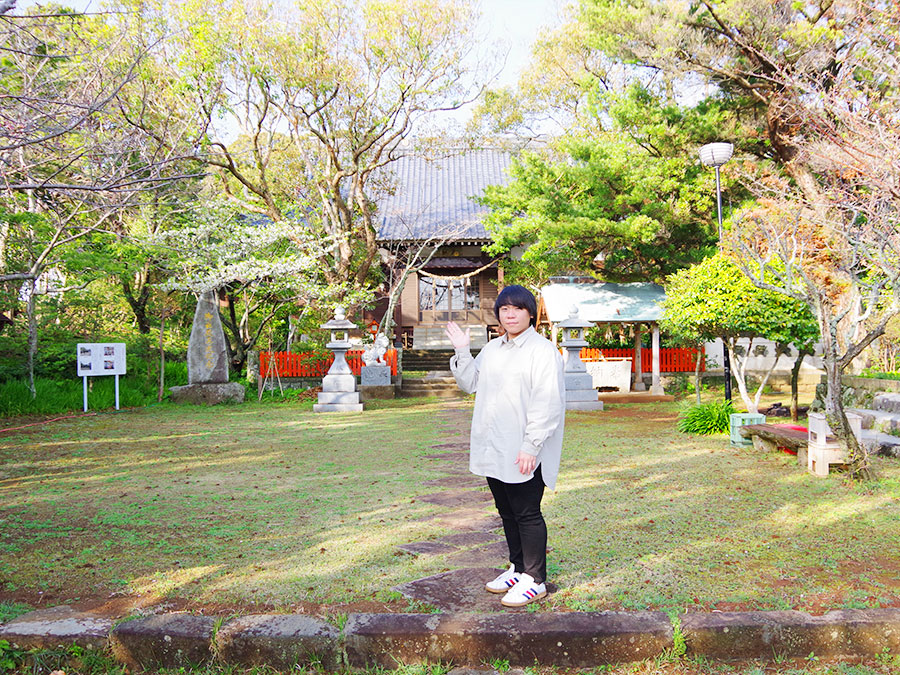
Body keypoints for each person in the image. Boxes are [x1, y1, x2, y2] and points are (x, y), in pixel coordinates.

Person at [445, 285, 566, 607]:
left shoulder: (543, 352)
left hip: (524, 447)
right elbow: (470, 384)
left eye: (517, 309)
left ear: (530, 314)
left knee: (527, 512)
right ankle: (518, 568)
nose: (510, 314)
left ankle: (535, 579)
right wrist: (462, 349)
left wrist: (531, 445)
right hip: (493, 444)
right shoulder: (494, 348)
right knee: (506, 511)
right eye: (504, 309)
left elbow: (547, 403)